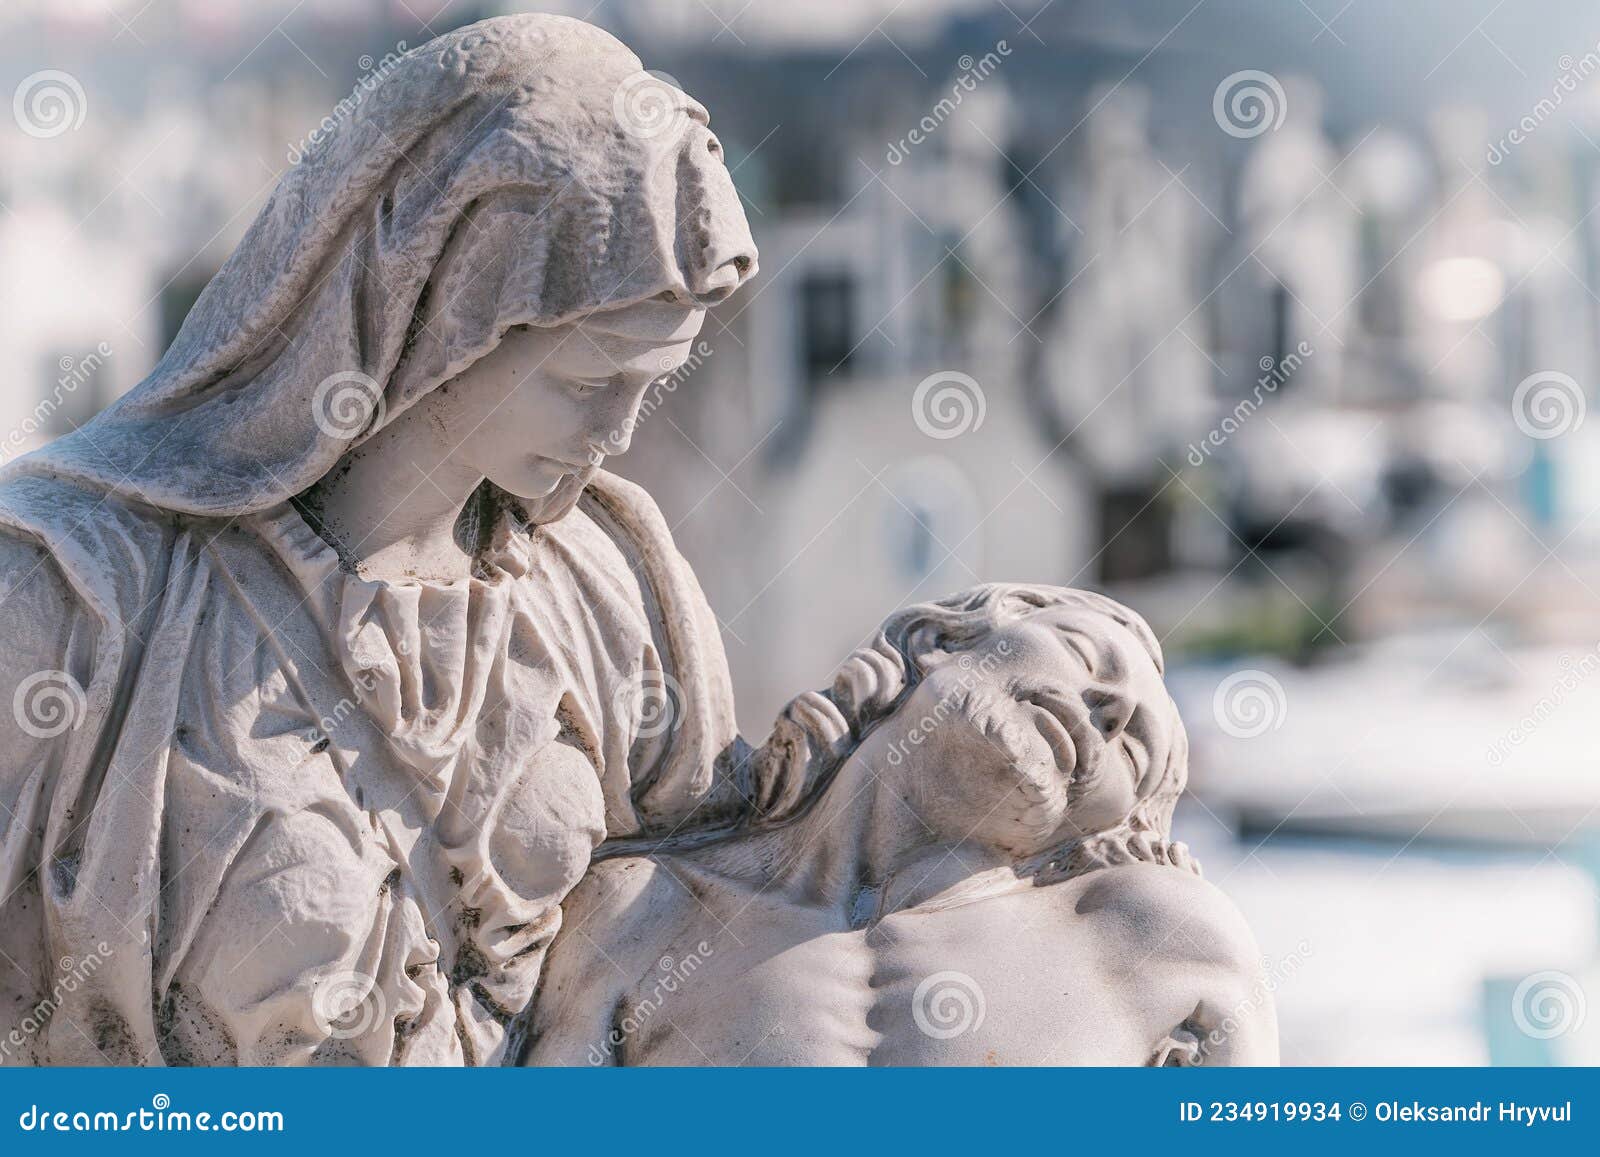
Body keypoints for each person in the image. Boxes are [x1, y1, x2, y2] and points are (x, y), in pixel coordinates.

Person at [0, 14, 756, 1065]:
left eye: (649, 384)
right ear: (446, 316)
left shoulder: (614, 590)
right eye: (586, 383)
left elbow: (744, 923)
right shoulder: (80, 597)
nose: (618, 432)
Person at [526, 585, 1278, 1065]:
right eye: (1085, 656)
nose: (1107, 710)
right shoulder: (639, 912)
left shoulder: (1155, 944)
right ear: (940, 639)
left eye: (1133, 747)